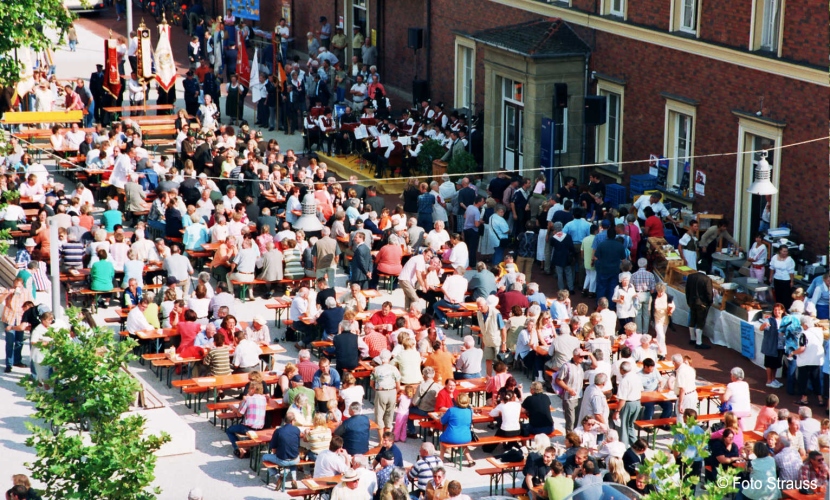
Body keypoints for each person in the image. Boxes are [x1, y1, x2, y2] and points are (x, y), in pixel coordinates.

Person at [225, 381, 268, 458]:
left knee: (229, 430)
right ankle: (247, 447)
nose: (247, 390)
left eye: (249, 389)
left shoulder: (248, 399)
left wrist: (232, 407)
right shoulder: (263, 399)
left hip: (248, 427)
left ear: (253, 389)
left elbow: (239, 414)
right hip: (260, 427)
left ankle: (239, 448)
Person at [261, 413, 301, 491]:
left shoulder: (278, 431)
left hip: (282, 460)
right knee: (292, 458)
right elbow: (298, 445)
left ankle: (277, 476)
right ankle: (294, 479)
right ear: (292, 421)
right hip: (295, 459)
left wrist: (277, 453)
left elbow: (273, 448)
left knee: (264, 457)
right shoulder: (297, 430)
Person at [793, 315, 826, 407]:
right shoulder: (819, 331)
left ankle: (804, 398)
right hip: (816, 360)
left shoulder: (804, 334)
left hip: (805, 360)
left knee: (803, 380)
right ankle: (820, 399)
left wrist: (793, 353)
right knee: (816, 379)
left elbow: (802, 348)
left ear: (804, 324)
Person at [371, 350, 402, 440]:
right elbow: (398, 386)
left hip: (381, 392)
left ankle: (381, 440)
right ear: (389, 358)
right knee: (389, 414)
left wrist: (377, 390)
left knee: (379, 415)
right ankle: (387, 439)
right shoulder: (394, 369)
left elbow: (371, 384)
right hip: (392, 391)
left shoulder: (376, 369)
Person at [439, 393, 474, 467]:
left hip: (452, 436)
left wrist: (442, 416)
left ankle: (441, 458)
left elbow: (442, 421)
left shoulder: (451, 410)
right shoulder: (470, 411)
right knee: (462, 442)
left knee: (442, 439)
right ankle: (469, 459)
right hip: (466, 437)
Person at [556, 349, 586, 433]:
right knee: (570, 421)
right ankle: (569, 440)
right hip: (569, 397)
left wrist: (590, 354)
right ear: (574, 356)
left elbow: (595, 365)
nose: (582, 358)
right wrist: (568, 389)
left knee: (578, 420)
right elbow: (558, 380)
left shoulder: (582, 364)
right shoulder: (566, 366)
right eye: (580, 356)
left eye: (583, 356)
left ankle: (575, 438)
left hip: (579, 396)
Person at [685, 271, 713, 349]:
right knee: (700, 322)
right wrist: (709, 303)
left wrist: (688, 301)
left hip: (691, 302)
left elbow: (687, 290)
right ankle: (698, 342)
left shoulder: (690, 276)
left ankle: (692, 338)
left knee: (692, 320)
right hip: (702, 304)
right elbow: (709, 293)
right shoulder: (707, 279)